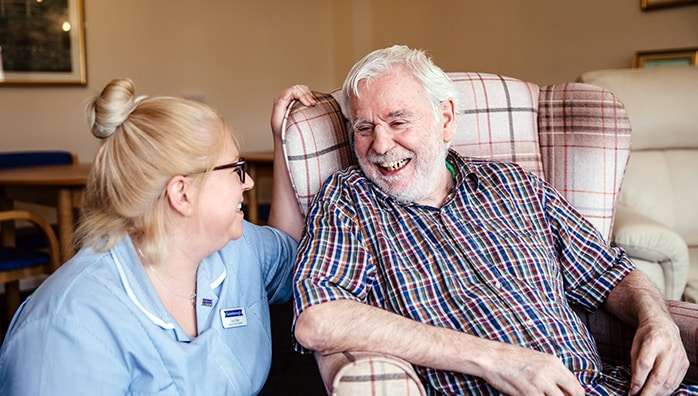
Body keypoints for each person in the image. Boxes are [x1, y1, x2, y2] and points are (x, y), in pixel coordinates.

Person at [291, 45, 693, 395]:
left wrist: (658, 321)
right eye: (364, 127)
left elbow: (609, 272)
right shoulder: (350, 199)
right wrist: (496, 360)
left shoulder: (517, 185)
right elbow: (318, 318)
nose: (380, 144)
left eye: (398, 122)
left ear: (445, 118)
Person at [0, 78, 313, 395]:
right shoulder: (66, 330)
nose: (246, 184)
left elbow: (295, 258)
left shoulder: (237, 246)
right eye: (236, 168)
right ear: (182, 194)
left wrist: (283, 139)